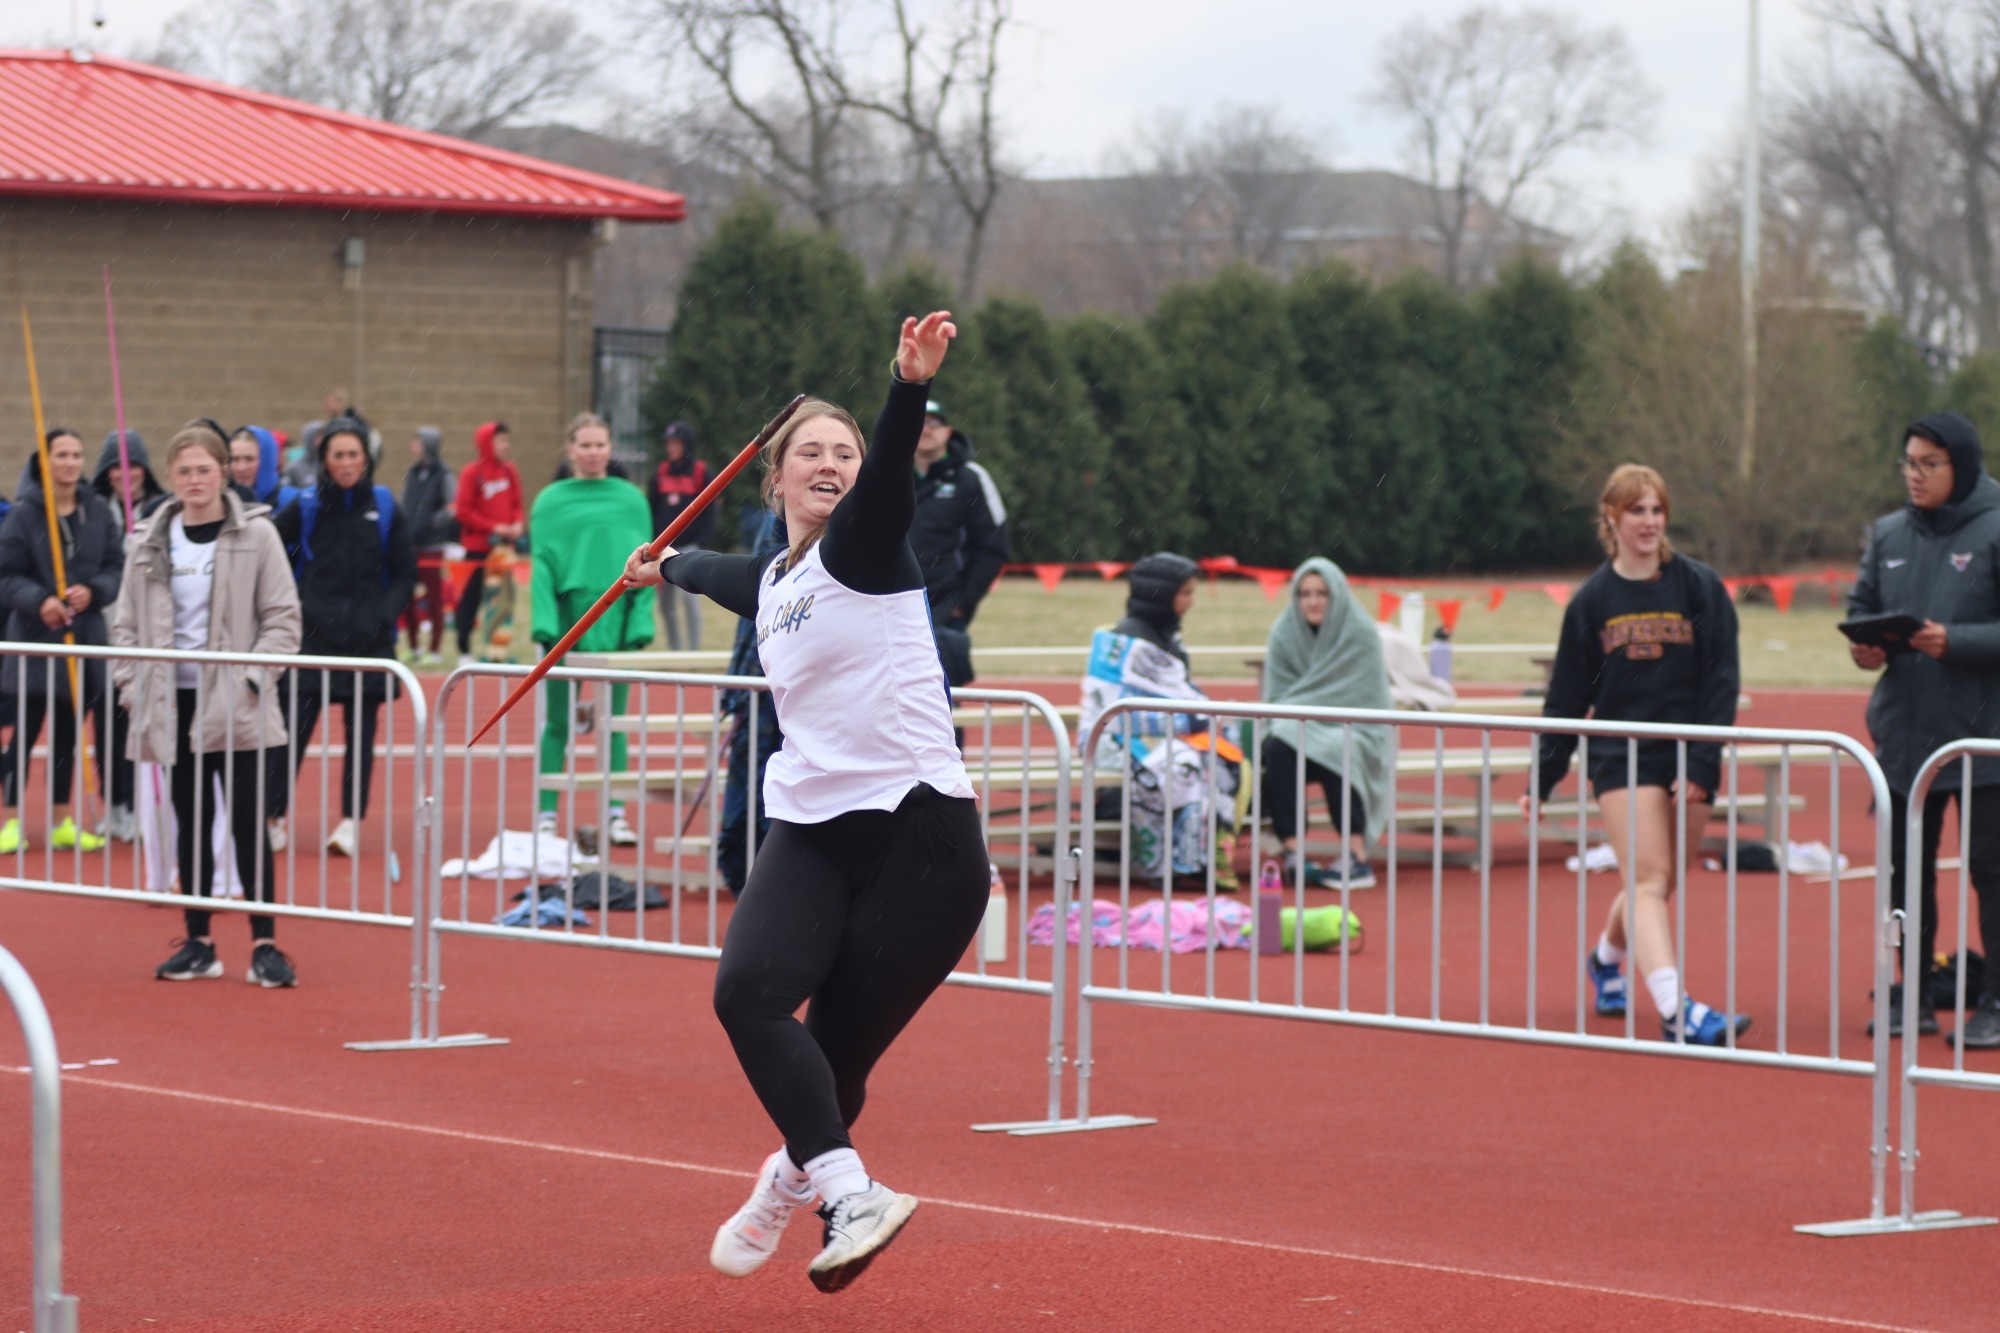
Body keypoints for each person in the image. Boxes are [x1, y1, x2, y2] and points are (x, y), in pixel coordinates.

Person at [622, 312, 987, 1292]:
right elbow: (734, 578)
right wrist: (663, 566)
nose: (830, 464)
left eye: (846, 452)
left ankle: (796, 1185)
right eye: (809, 453)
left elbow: (883, 493)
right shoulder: (779, 572)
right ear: (773, 478)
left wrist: (906, 387)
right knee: (744, 995)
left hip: (921, 843)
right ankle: (844, 1189)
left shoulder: (866, 546)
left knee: (831, 1061)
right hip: (816, 829)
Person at [1524, 463, 1747, 1047]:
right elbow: (1566, 699)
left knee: (1659, 882)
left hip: (1686, 753)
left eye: (1656, 510)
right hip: (1621, 756)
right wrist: (1542, 778)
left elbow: (1721, 680)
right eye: (1636, 511)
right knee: (1647, 876)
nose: (1648, 522)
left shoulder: (1697, 587)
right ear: (1612, 518)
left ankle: (1605, 959)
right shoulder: (1593, 601)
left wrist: (1701, 763)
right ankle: (1678, 1012)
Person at [110, 421, 302, 986]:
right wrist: (130, 687)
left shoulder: (257, 535)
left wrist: (249, 680)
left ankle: (265, 943)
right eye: (185, 471)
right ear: (172, 477)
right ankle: (199, 941)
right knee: (188, 822)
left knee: (247, 822)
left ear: (224, 472)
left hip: (237, 704)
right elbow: (124, 626)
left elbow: (283, 620)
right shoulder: (148, 538)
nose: (194, 480)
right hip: (175, 704)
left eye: (205, 470)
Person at [1848, 411, 2000, 1048]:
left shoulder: (1995, 528)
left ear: (1958, 466)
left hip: (1982, 740)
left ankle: (1994, 1001)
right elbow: (1862, 608)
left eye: (1927, 465)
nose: (1914, 476)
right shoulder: (1887, 533)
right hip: (1905, 737)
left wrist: (1955, 642)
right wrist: (1865, 646)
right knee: (1904, 872)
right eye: (1908, 463)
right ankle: (1911, 994)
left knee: (1992, 871)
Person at [272, 419, 416, 858]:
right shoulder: (304, 506)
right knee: (292, 734)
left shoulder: (386, 506)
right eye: (338, 455)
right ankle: (273, 818)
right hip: (311, 639)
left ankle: (350, 823)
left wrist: (382, 615)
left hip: (366, 642)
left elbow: (406, 573)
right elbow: (273, 557)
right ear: (324, 460)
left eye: (354, 454)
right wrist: (294, 608)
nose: (347, 463)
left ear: (367, 458)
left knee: (361, 736)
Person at [1076, 552, 1243, 886]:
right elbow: (1121, 712)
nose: (1192, 602)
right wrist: (1195, 719)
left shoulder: (1168, 638)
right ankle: (1174, 863)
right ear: (1162, 596)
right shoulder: (1127, 644)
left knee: (1226, 746)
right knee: (1181, 761)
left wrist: (1196, 718)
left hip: (1157, 735)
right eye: (1186, 593)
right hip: (1110, 741)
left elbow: (1187, 703)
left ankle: (1207, 854)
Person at [529, 412, 654, 847]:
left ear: (610, 448)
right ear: (570, 450)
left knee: (614, 722)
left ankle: (616, 814)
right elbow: (541, 565)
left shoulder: (631, 499)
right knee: (558, 722)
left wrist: (640, 622)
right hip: (565, 621)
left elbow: (648, 559)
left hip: (616, 617)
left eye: (601, 444)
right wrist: (544, 626)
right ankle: (547, 813)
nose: (594, 452)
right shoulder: (549, 500)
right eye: (585, 445)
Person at [0, 429, 125, 853]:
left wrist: (94, 591)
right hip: (37, 642)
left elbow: (114, 566)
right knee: (25, 734)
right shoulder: (24, 514)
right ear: (45, 461)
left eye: (76, 454)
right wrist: (40, 601)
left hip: (82, 640)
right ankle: (12, 820)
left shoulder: (97, 511)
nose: (71, 463)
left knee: (69, 737)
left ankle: (60, 820)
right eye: (62, 455)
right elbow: (6, 576)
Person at [1259, 558, 1393, 890]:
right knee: (1277, 742)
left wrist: (1318, 717)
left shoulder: (1360, 632)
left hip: (1355, 727)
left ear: (1337, 595)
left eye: (1322, 593)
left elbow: (1369, 698)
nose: (1313, 601)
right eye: (1305, 594)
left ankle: (1356, 855)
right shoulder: (1283, 632)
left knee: (1338, 744)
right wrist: (1302, 715)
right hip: (1298, 728)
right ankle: (1293, 852)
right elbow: (1276, 699)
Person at [91, 428, 167, 841]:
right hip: (103, 634)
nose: (125, 473)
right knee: (109, 724)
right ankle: (115, 804)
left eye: (133, 464)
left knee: (145, 723)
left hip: (146, 636)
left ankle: (144, 805)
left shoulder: (159, 510)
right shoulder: (95, 511)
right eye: (116, 466)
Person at [715, 507, 788, 896]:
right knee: (754, 771)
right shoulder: (775, 525)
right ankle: (749, 868)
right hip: (761, 682)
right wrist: (739, 681)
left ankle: (768, 870)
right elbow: (754, 607)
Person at [910, 400, 1008, 685]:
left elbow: (993, 546)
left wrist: (963, 602)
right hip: (892, 602)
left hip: (945, 608)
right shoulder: (889, 475)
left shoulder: (972, 479)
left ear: (948, 431)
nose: (925, 429)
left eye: (934, 423)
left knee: (943, 696)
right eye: (919, 421)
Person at [454, 420, 525, 658]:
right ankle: (464, 649)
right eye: (501, 440)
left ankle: (497, 650)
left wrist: (516, 524)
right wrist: (494, 527)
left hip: (504, 550)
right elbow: (463, 510)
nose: (506, 445)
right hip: (478, 550)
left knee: (503, 601)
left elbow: (516, 504)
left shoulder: (509, 470)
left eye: (507, 440)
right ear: (487, 442)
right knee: (470, 601)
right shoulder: (472, 473)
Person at [650, 421, 714, 650]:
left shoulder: (700, 472)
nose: (671, 448)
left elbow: (710, 510)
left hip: (691, 547)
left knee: (689, 600)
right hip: (663, 549)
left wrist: (703, 542)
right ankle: (675, 651)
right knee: (665, 603)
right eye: (669, 443)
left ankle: (693, 652)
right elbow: (652, 508)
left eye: (676, 443)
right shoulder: (660, 473)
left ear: (686, 445)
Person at [399, 426, 457, 667]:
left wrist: (433, 522)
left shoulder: (444, 473)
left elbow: (452, 505)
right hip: (411, 545)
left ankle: (434, 650)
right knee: (407, 598)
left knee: (434, 599)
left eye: (418, 442)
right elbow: (404, 502)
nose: (414, 447)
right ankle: (413, 647)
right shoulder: (411, 473)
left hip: (432, 547)